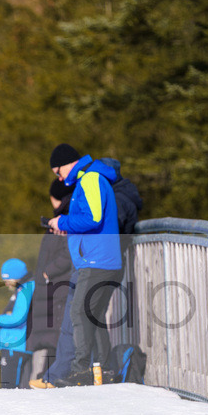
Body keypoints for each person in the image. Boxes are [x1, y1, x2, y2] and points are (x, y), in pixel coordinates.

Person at [46, 143, 123, 385]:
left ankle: (80, 372)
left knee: (79, 312)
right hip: (100, 259)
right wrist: (66, 227)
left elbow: (93, 217)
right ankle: (104, 371)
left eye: (58, 172)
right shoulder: (89, 179)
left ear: (67, 164)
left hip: (97, 260)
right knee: (93, 316)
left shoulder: (90, 179)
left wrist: (63, 222)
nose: (59, 177)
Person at [26, 179, 75, 383]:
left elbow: (68, 253)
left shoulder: (66, 223)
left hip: (56, 289)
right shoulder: (58, 223)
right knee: (45, 338)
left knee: (53, 336)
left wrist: (48, 272)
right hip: (48, 290)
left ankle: (48, 378)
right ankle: (43, 377)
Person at [0, 258, 35, 388]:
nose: (6, 284)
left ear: (16, 277)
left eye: (7, 280)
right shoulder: (23, 288)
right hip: (16, 345)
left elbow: (19, 317)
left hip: (16, 346)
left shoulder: (26, 288)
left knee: (9, 389)